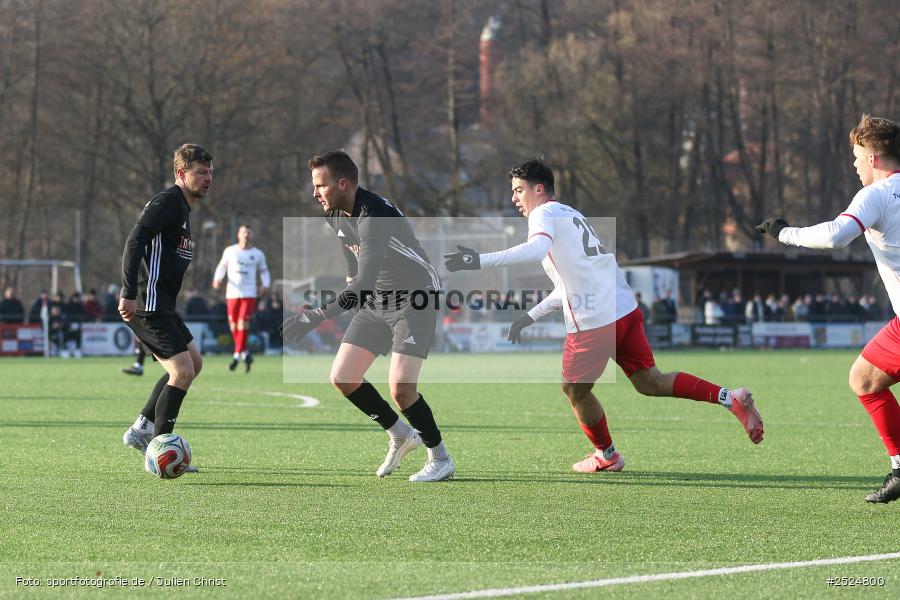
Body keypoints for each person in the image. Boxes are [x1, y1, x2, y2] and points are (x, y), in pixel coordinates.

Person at [444, 158, 763, 473]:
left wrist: (477, 260)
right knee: (650, 381)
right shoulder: (571, 214)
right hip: (624, 309)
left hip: (594, 320)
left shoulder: (542, 213)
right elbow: (570, 284)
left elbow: (536, 251)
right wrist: (530, 317)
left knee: (573, 390)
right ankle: (729, 397)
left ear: (538, 189)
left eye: (518, 190)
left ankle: (606, 454)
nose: (514, 198)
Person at [281, 150, 454, 482]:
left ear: (343, 183)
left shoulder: (374, 215)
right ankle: (401, 435)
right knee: (343, 376)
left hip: (414, 297)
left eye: (321, 185)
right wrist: (349, 291)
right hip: (376, 300)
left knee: (402, 388)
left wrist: (314, 316)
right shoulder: (335, 213)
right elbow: (353, 268)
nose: (315, 193)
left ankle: (441, 458)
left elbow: (363, 282)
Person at [756, 114, 900, 503]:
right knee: (865, 379)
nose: (854, 166)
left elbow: (838, 236)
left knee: (864, 382)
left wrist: (785, 233)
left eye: (856, 157)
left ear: (872, 157)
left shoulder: (877, 194)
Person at [118, 143, 213, 474]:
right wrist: (128, 292)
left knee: (193, 364)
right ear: (181, 174)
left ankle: (142, 428)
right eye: (200, 172)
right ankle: (159, 448)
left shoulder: (183, 209)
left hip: (165, 306)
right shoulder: (168, 202)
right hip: (148, 305)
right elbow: (135, 241)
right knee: (182, 371)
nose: (208, 178)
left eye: (210, 172)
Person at [213, 225, 270, 372]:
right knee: (233, 325)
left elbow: (264, 271)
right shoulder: (230, 251)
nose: (246, 235)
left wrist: (266, 284)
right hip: (232, 293)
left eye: (249, 232)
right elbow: (222, 267)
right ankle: (246, 353)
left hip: (249, 293)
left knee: (242, 323)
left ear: (252, 235)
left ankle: (237, 355)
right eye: (244, 232)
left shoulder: (258, 254)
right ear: (238, 234)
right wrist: (217, 278)